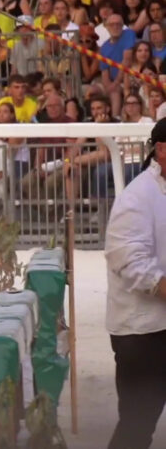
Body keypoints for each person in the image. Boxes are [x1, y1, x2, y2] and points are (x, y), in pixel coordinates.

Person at [105, 117, 166, 449]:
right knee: (137, 427)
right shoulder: (137, 196)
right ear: (162, 150)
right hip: (141, 335)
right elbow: (129, 262)